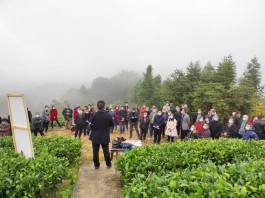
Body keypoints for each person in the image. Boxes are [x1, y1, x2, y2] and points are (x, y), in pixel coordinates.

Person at [89, 100, 114, 169]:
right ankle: (108, 164)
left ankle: (96, 165)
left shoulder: (94, 115)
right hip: (105, 136)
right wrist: (108, 129)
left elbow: (90, 126)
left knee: (95, 151)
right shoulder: (108, 115)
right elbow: (112, 125)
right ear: (104, 106)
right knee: (106, 151)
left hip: (95, 136)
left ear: (97, 107)